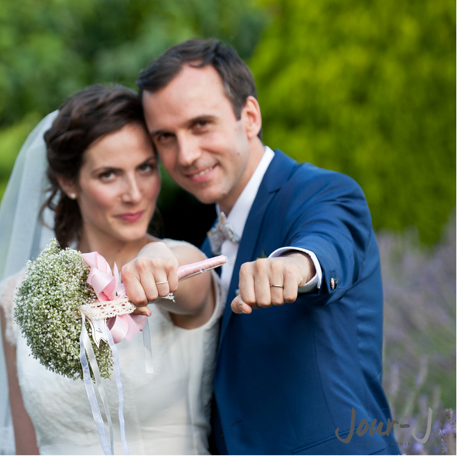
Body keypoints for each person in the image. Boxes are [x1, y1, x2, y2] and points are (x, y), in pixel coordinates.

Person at [128, 38, 398, 454]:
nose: (185, 154)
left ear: (249, 117)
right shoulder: (207, 244)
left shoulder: (322, 191)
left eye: (201, 125)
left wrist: (292, 267)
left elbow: (326, 244)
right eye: (165, 137)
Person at [0, 85, 222, 455]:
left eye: (145, 168)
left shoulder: (179, 260)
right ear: (68, 182)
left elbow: (189, 286)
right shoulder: (19, 297)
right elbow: (26, 447)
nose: (134, 192)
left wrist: (158, 259)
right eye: (109, 175)